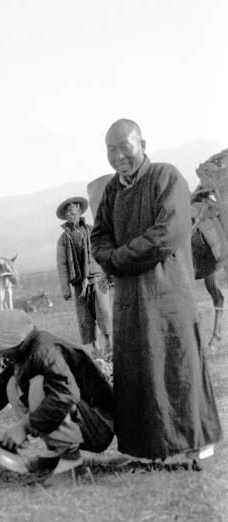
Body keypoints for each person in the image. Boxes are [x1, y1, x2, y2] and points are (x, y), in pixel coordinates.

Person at [90, 118, 223, 462]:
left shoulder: (166, 177)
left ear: (142, 144)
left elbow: (166, 234)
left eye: (125, 147)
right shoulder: (111, 191)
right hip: (129, 299)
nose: (119, 156)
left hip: (167, 294)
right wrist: (109, 257)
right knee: (140, 368)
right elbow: (98, 235)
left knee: (180, 365)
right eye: (111, 150)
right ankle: (147, 446)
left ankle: (196, 439)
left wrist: (116, 259)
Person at [0, 309, 114, 479]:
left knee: (39, 385)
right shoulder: (26, 351)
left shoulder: (45, 351)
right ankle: (54, 454)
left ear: (18, 341)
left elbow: (65, 396)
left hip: (99, 426)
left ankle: (72, 464)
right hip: (83, 419)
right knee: (12, 385)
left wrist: (24, 426)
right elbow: (0, 390)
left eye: (2, 348)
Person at [56, 196, 113, 359]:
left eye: (73, 211)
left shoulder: (91, 230)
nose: (70, 214)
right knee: (85, 316)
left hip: (97, 278)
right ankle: (95, 348)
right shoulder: (63, 239)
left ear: (79, 212)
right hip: (78, 284)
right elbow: (62, 265)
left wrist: (109, 274)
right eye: (67, 212)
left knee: (103, 311)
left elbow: (102, 252)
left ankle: (109, 344)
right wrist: (65, 289)